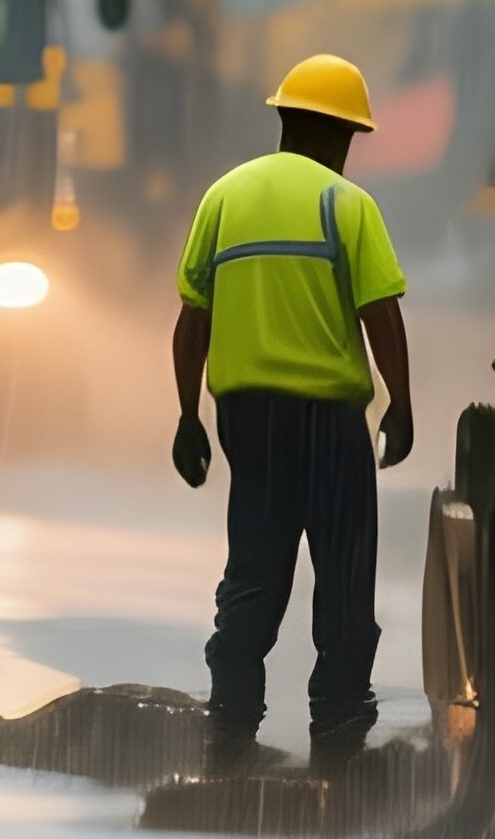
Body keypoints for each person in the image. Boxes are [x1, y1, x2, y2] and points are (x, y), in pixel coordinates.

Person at [171, 55, 412, 769]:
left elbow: (191, 322)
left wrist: (187, 415)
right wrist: (401, 402)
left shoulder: (224, 196)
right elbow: (380, 314)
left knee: (252, 572)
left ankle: (230, 734)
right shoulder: (347, 204)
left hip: (246, 418)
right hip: (329, 424)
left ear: (285, 120)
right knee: (342, 579)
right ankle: (337, 742)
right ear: (341, 133)